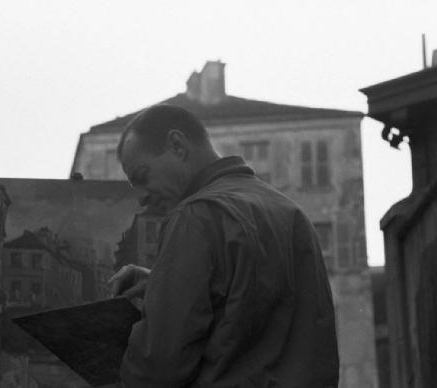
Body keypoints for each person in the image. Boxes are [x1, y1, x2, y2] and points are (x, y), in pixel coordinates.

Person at [108, 104, 339, 387]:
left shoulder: (195, 216)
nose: (142, 197)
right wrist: (161, 284)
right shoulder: (291, 213)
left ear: (177, 145)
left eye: (142, 177)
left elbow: (158, 368)